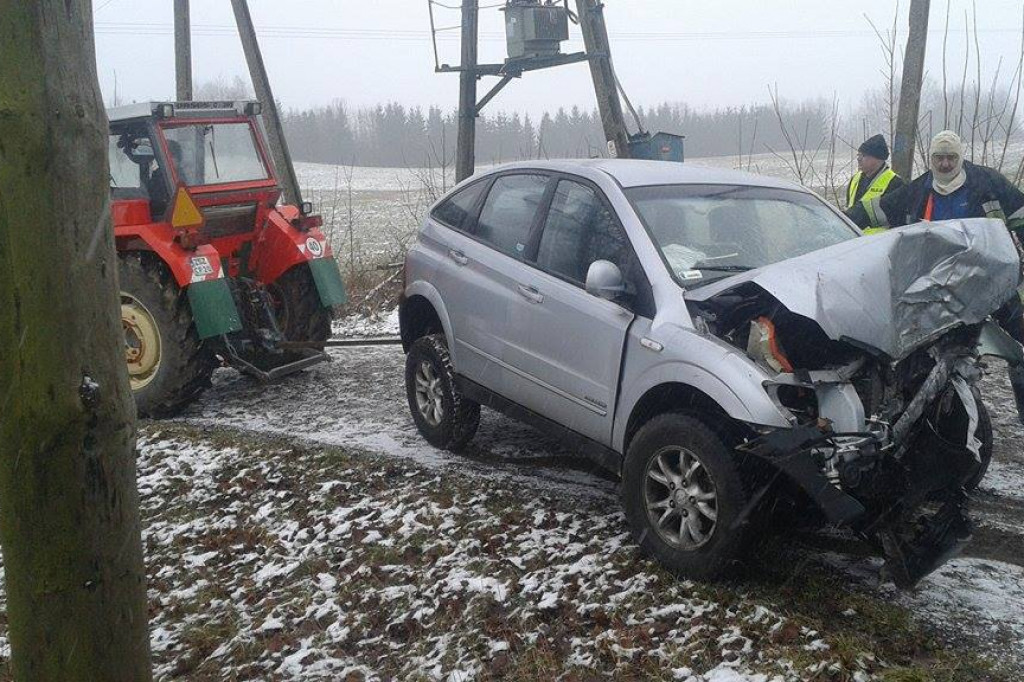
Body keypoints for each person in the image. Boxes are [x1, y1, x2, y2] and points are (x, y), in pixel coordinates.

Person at [848, 129, 1024, 423]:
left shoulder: (988, 182)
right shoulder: (919, 189)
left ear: (960, 157)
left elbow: (1021, 213)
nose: (944, 164)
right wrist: (839, 218)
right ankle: (931, 411)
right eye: (939, 158)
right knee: (928, 351)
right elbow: (878, 209)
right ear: (931, 159)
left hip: (991, 280)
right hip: (939, 288)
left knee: (1020, 341)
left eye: (950, 158)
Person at [843, 134, 904, 233]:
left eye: (863, 155)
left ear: (877, 158)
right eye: (858, 155)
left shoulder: (895, 183)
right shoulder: (855, 179)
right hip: (852, 240)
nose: (858, 159)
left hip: (878, 243)